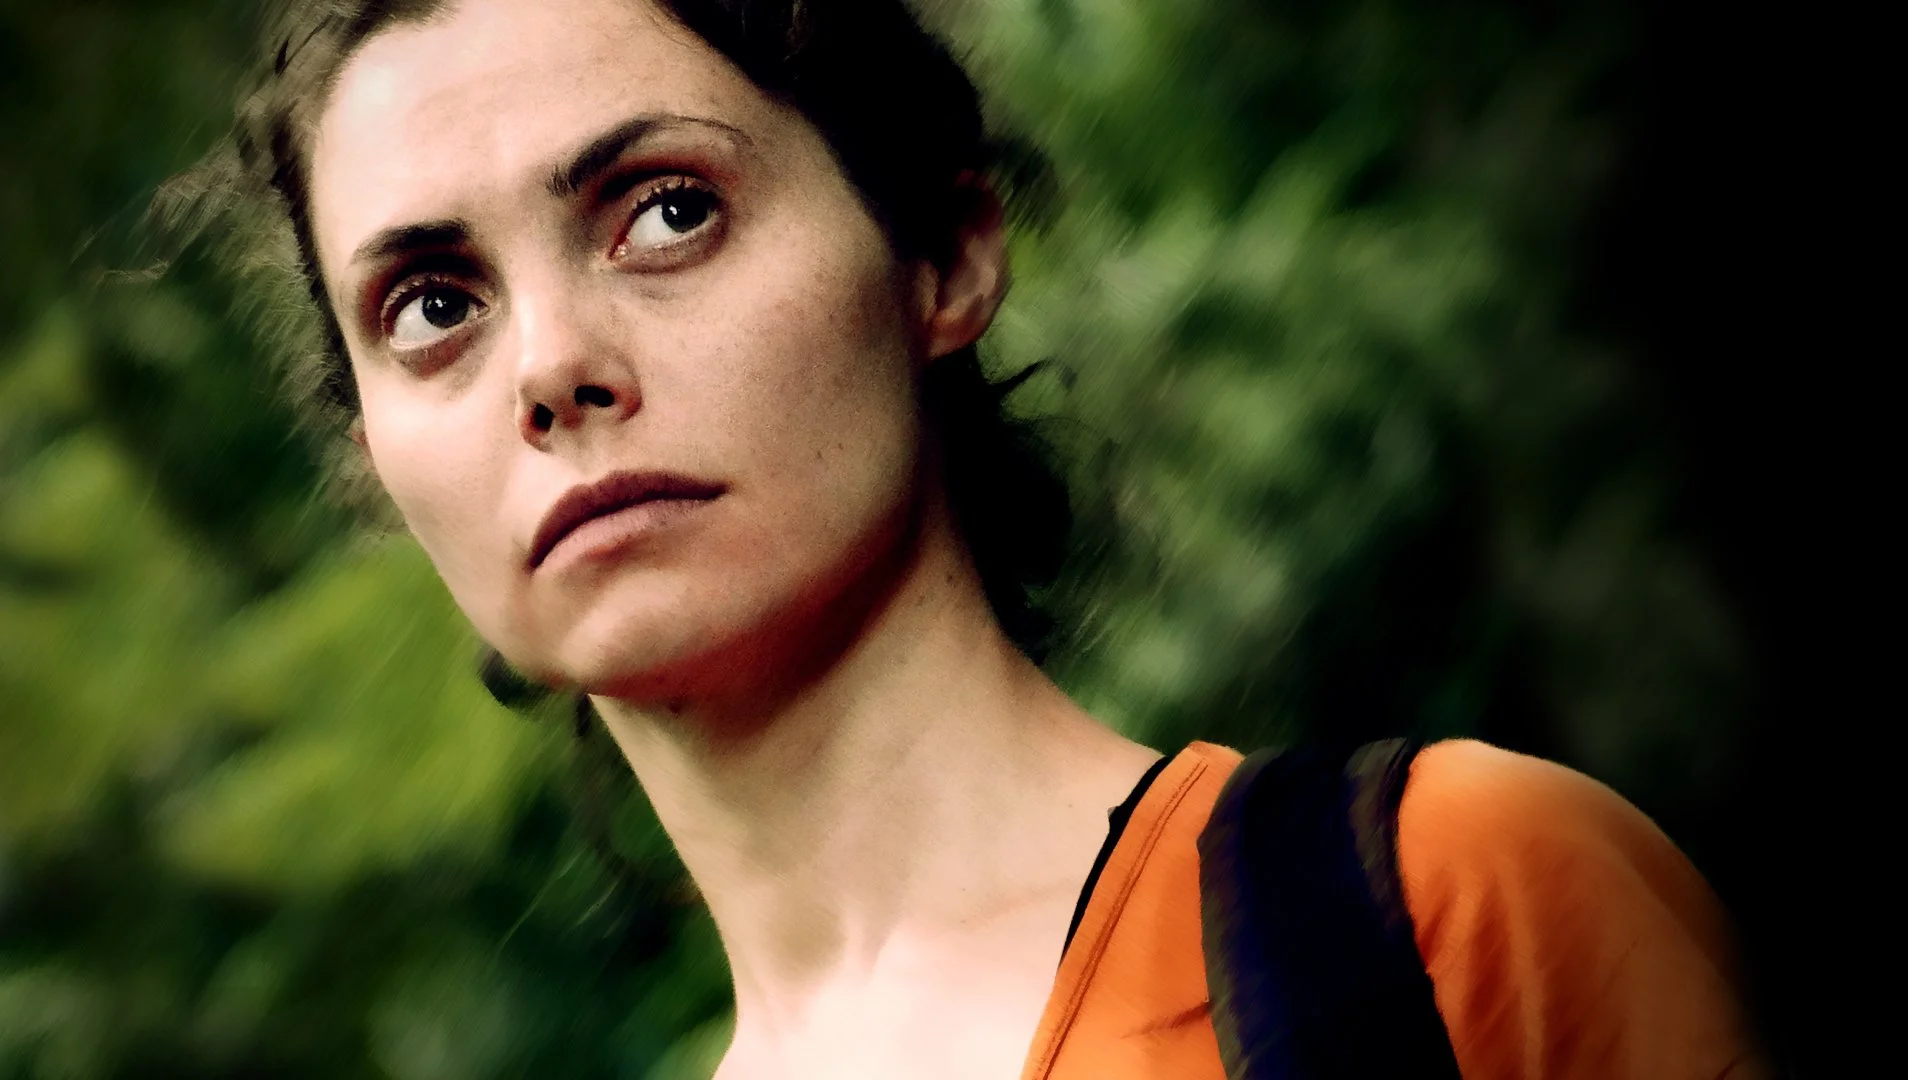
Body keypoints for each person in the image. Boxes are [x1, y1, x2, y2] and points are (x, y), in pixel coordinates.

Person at [194, 0, 1769, 1075]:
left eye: (664, 209)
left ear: (941, 256)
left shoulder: (1447, 913)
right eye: (433, 306)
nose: (547, 366)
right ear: (376, 460)